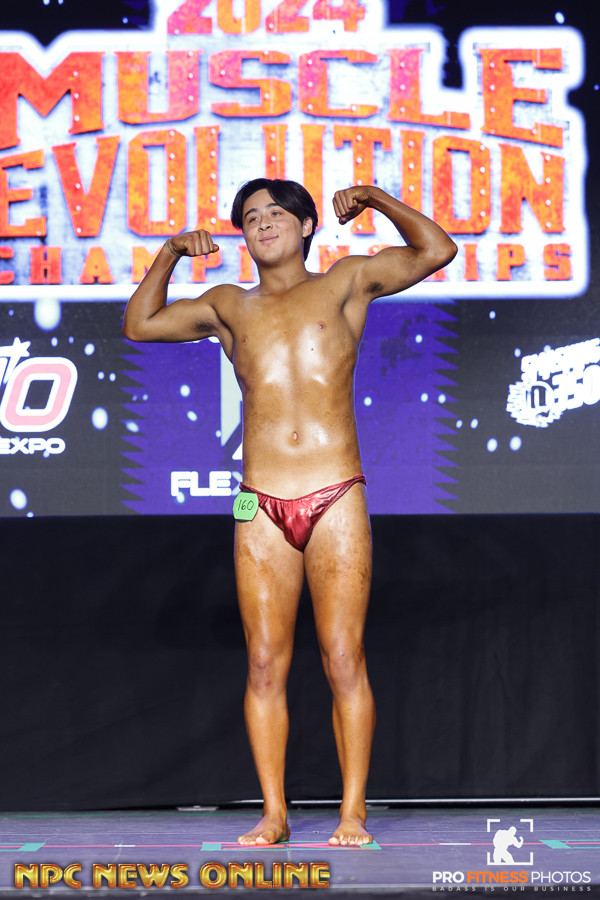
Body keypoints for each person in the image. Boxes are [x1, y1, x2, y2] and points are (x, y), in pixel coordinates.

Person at [123, 180, 457, 847]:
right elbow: (140, 324)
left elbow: (436, 250)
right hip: (261, 502)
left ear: (306, 225)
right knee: (263, 663)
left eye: (276, 212)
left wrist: (377, 199)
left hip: (335, 492)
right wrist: (170, 253)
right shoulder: (228, 306)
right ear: (243, 237)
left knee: (343, 657)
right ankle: (274, 814)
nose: (263, 223)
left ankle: (352, 813)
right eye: (251, 217)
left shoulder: (345, 283)